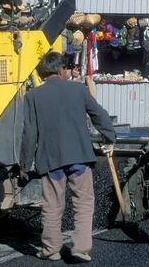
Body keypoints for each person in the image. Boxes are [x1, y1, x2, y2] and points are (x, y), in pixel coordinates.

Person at [19, 52, 116, 262]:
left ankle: (51, 249)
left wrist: (25, 164)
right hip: (79, 156)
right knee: (83, 202)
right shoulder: (78, 89)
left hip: (51, 159)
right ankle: (80, 248)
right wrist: (110, 137)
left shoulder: (33, 96)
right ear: (62, 70)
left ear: (45, 72)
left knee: (52, 205)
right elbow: (99, 114)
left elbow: (29, 133)